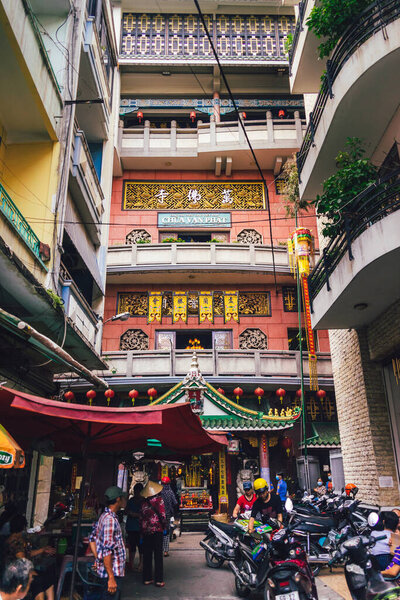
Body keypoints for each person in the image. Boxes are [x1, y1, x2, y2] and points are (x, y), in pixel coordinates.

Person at [5, 515, 56, 600]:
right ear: (24, 527)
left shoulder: (12, 539)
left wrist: (42, 550)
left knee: (47, 579)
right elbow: (22, 562)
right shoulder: (17, 541)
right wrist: (32, 572)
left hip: (13, 573)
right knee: (39, 580)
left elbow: (25, 554)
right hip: (16, 575)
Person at [92, 486, 127, 600]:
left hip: (110, 572)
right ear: (118, 499)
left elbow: (92, 539)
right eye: (123, 498)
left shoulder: (104, 516)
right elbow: (107, 550)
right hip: (111, 574)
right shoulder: (110, 521)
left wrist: (98, 558)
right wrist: (111, 578)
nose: (124, 500)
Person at [140, 481, 167, 587]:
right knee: (158, 556)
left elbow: (141, 518)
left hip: (146, 531)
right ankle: (159, 580)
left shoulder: (143, 503)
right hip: (157, 531)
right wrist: (164, 526)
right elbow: (163, 516)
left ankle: (147, 578)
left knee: (147, 555)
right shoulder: (159, 501)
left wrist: (142, 531)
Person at [125, 483, 143, 571]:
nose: (137, 493)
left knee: (141, 547)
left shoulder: (144, 501)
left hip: (140, 527)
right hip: (131, 527)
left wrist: (134, 514)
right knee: (132, 546)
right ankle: (131, 564)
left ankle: (141, 564)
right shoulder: (131, 500)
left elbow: (144, 514)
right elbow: (126, 510)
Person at [160, 477, 177, 557]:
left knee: (159, 532)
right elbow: (175, 502)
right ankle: (165, 551)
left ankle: (159, 549)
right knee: (166, 533)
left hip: (158, 515)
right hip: (167, 515)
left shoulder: (159, 492)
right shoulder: (170, 492)